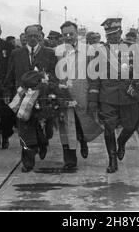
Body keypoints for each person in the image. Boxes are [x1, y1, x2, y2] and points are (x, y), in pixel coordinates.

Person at [88, 18, 139, 173]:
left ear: (120, 31)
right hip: (107, 96)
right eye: (109, 34)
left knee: (131, 125)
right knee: (109, 128)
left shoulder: (133, 48)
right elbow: (93, 76)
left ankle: (122, 141)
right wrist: (93, 98)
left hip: (128, 94)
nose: (112, 36)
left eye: (114, 33)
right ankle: (112, 160)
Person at [4, 24, 57, 172]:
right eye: (30, 36)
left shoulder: (49, 53)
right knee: (24, 128)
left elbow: (54, 75)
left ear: (40, 36)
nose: (33, 39)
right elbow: (10, 73)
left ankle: (43, 143)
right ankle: (28, 161)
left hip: (43, 97)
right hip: (22, 97)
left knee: (43, 126)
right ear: (25, 37)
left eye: (36, 36)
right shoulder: (16, 53)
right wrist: (7, 91)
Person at [55, 21, 96, 170]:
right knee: (66, 127)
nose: (68, 37)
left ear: (77, 33)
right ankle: (70, 161)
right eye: (65, 34)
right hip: (64, 94)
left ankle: (83, 141)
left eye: (71, 34)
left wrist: (92, 94)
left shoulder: (88, 50)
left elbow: (93, 75)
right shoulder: (58, 51)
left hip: (82, 93)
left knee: (80, 123)